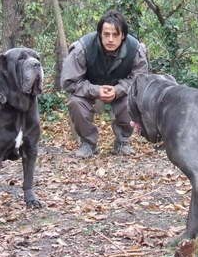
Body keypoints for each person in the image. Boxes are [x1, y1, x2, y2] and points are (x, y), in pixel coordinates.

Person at [61, 10, 149, 158]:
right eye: (106, 34)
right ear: (99, 34)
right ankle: (88, 143)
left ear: (123, 36)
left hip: (120, 89)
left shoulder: (135, 49)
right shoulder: (82, 48)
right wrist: (96, 91)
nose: (110, 39)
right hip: (89, 86)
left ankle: (123, 142)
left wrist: (118, 89)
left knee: (134, 98)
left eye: (115, 35)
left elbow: (140, 81)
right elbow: (69, 82)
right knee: (75, 102)